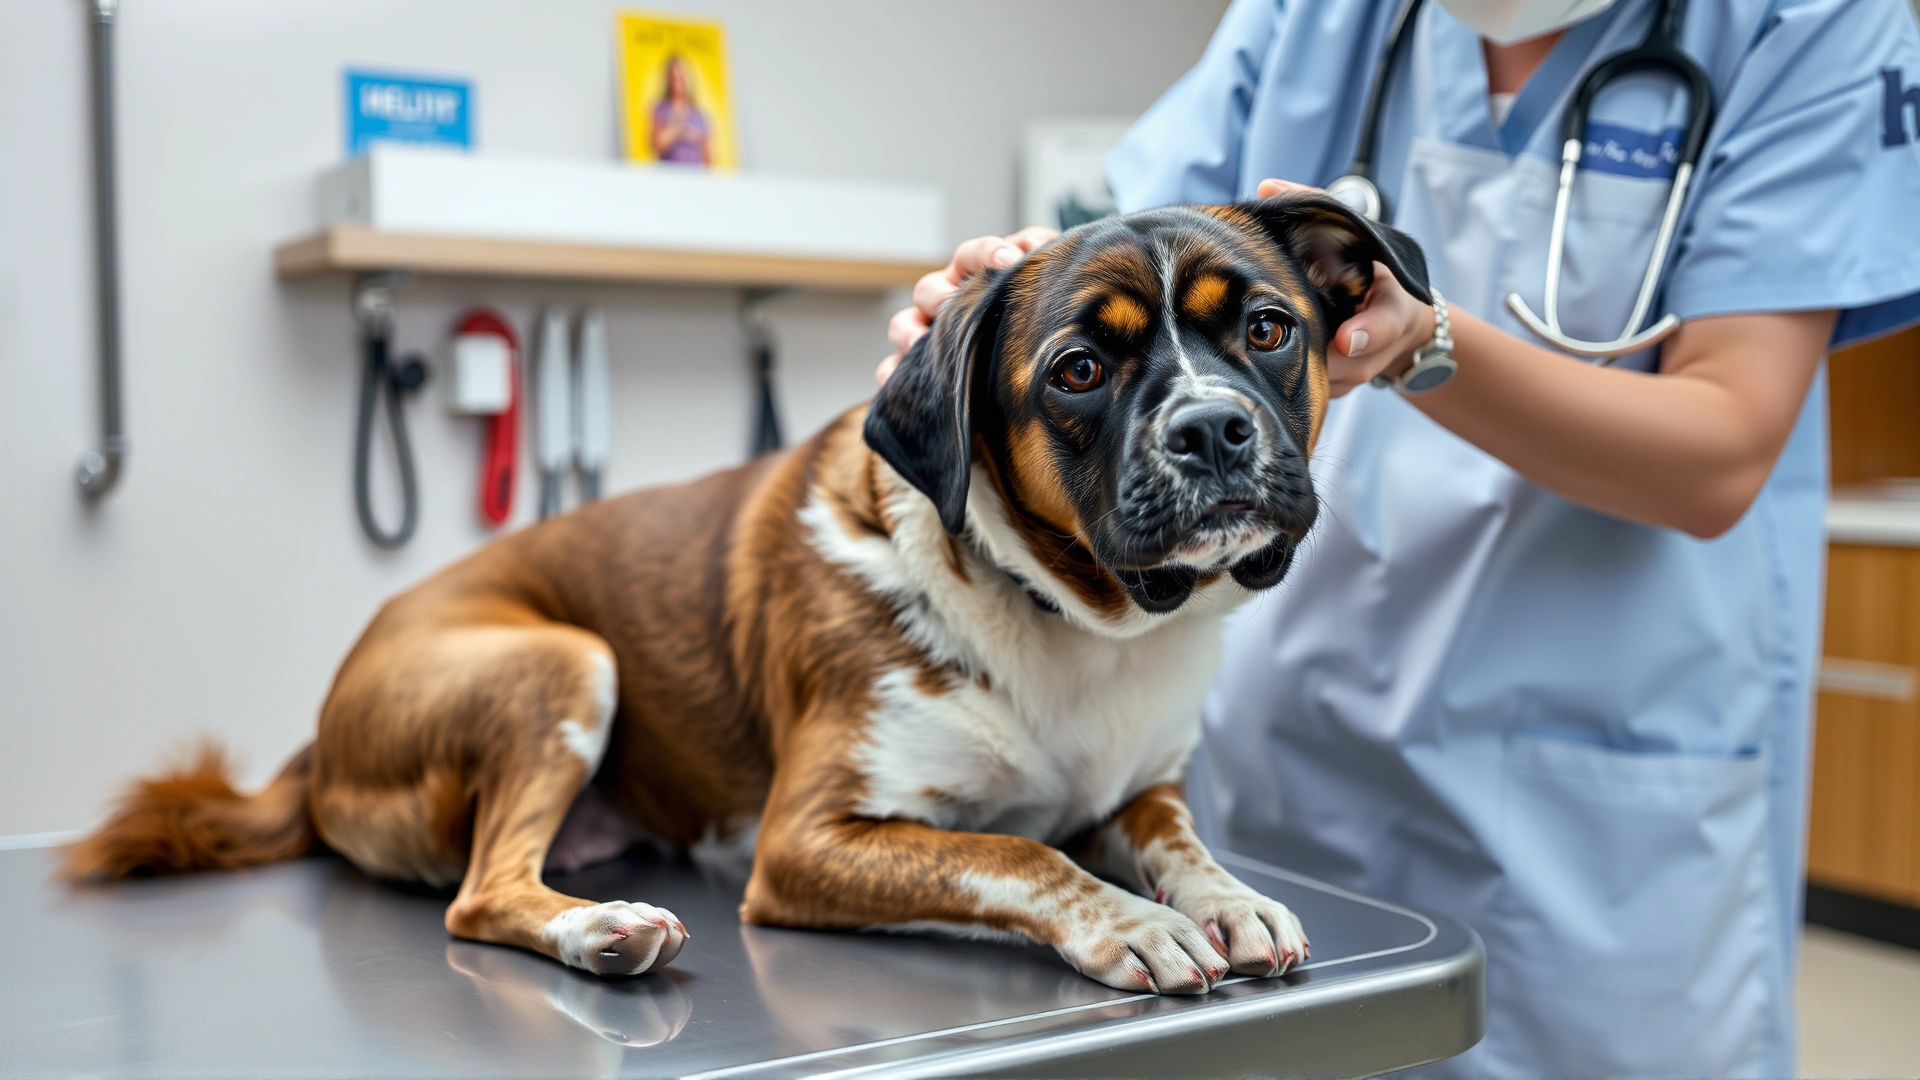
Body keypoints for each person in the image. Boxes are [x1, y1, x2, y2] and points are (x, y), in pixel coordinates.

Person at [878, 0, 1920, 1074]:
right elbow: (1140, 270)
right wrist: (987, 324)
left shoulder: (1809, 21)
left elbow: (1723, 449)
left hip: (1608, 792)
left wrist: (1424, 342)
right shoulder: (1313, 19)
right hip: (1291, 735)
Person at [650, 56, 711, 166]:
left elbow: (709, 155)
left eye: (681, 76)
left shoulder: (699, 115)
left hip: (696, 177)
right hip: (670, 176)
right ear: (668, 79)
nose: (678, 82)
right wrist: (678, 128)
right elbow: (657, 144)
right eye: (674, 77)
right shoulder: (661, 109)